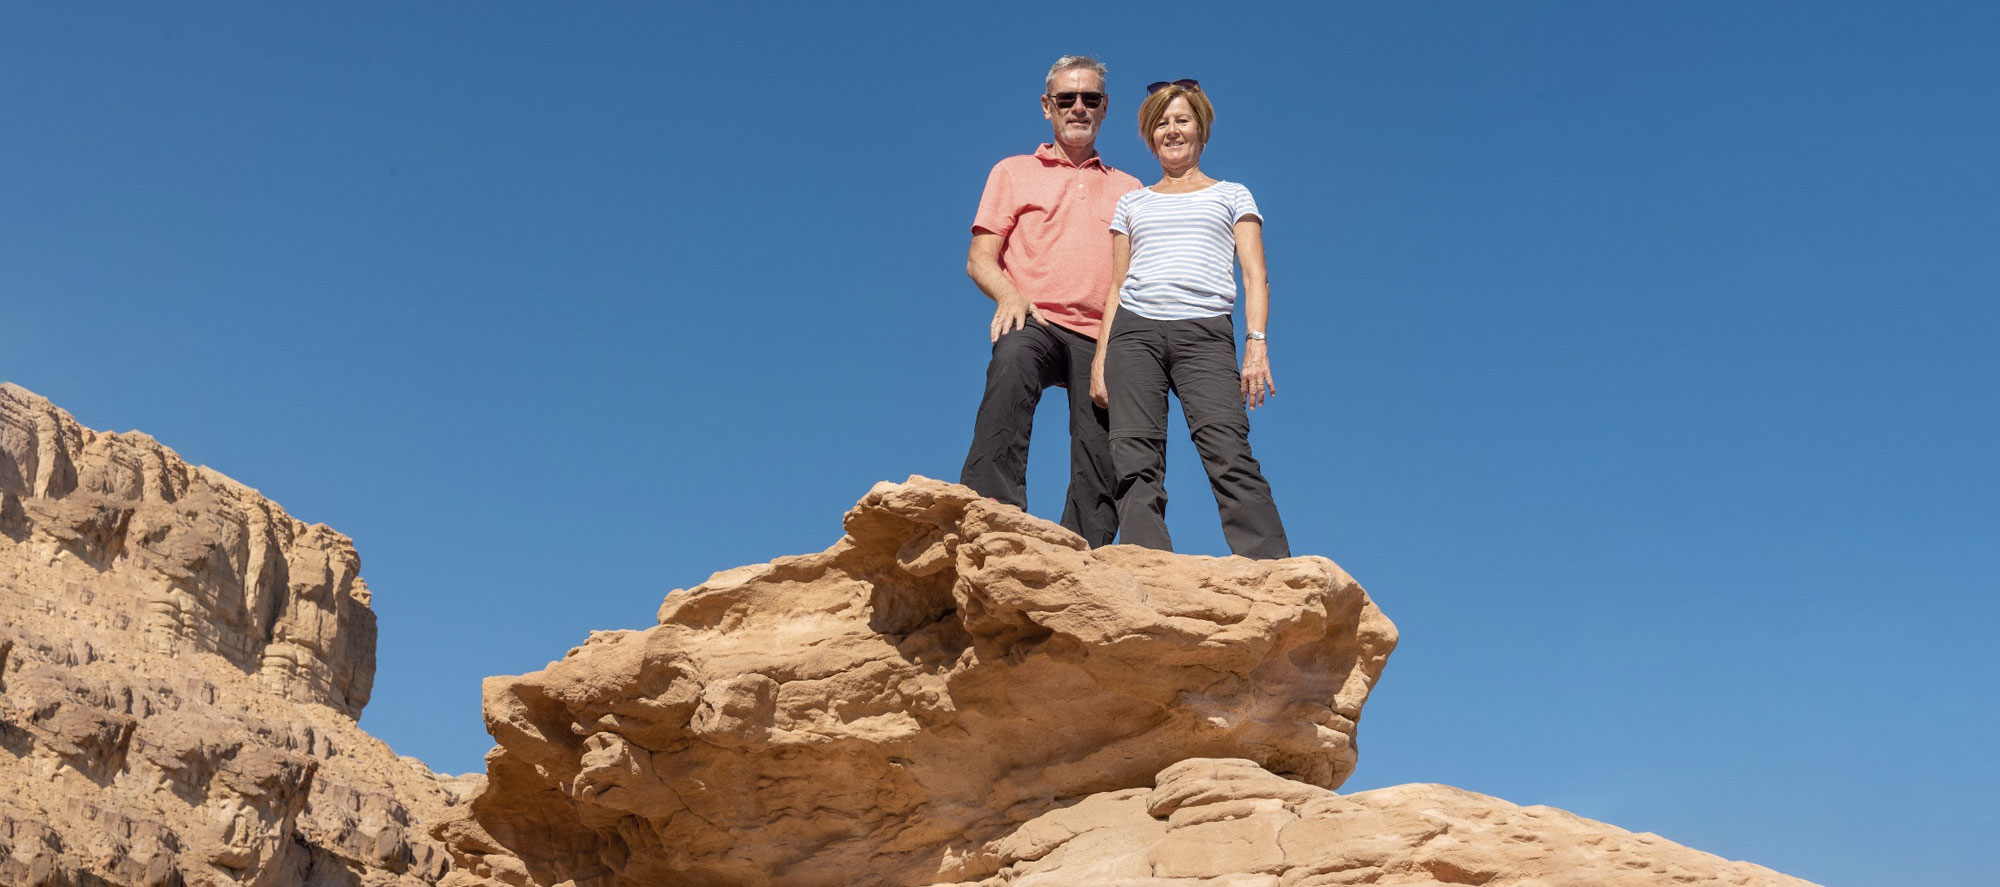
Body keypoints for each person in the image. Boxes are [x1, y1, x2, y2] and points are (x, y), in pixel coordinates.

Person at [1089, 80, 1290, 559]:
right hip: (1134, 332)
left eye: (1182, 121)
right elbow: (1117, 286)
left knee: (1228, 450)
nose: (1172, 131)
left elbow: (1255, 275)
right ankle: (1150, 565)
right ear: (1148, 135)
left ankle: (1272, 569)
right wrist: (1101, 356)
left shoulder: (1233, 195)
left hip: (1204, 333)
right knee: (1134, 458)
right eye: (1161, 123)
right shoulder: (1132, 203)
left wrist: (1256, 344)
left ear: (1201, 130)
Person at [959, 55, 1143, 547]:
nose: (1078, 107)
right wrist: (1010, 294)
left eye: (1090, 99)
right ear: (1047, 106)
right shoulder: (1013, 172)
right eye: (1067, 98)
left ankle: (1085, 547)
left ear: (1105, 109)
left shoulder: (1130, 190)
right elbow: (980, 258)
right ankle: (991, 509)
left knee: (1102, 441)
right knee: (1012, 361)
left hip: (1101, 334)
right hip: (1035, 318)